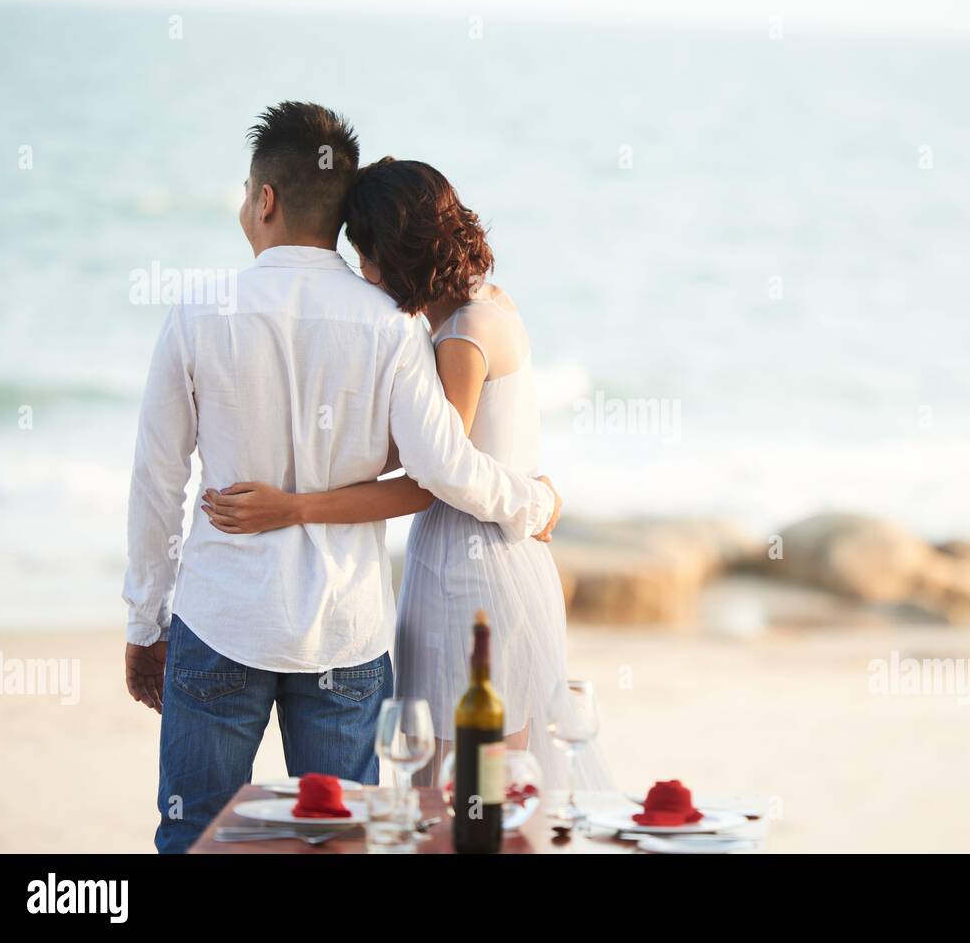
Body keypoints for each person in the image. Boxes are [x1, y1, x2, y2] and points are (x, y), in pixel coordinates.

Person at [123, 104, 560, 853]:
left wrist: (143, 621)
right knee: (344, 841)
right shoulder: (391, 325)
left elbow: (158, 480)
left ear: (265, 199)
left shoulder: (198, 311)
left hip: (221, 621)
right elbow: (441, 466)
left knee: (196, 832)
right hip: (345, 635)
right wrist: (535, 498)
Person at [201, 158, 610, 793]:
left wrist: (294, 506)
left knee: (466, 792)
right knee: (480, 787)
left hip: (473, 573)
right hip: (477, 563)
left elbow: (430, 477)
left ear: (392, 253)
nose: (361, 274)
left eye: (362, 255)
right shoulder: (479, 306)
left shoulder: (462, 337)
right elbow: (419, 450)